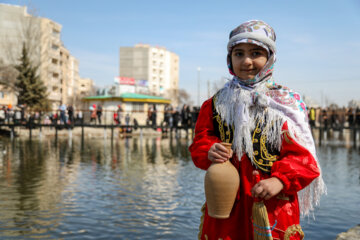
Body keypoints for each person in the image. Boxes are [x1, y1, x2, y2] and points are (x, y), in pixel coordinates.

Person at [189, 20, 326, 240]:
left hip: (272, 206)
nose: (247, 61)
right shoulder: (215, 105)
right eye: (239, 54)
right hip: (226, 207)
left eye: (256, 53)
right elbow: (200, 142)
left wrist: (280, 181)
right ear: (229, 59)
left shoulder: (285, 104)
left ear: (270, 58)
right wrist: (209, 150)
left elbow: (304, 159)